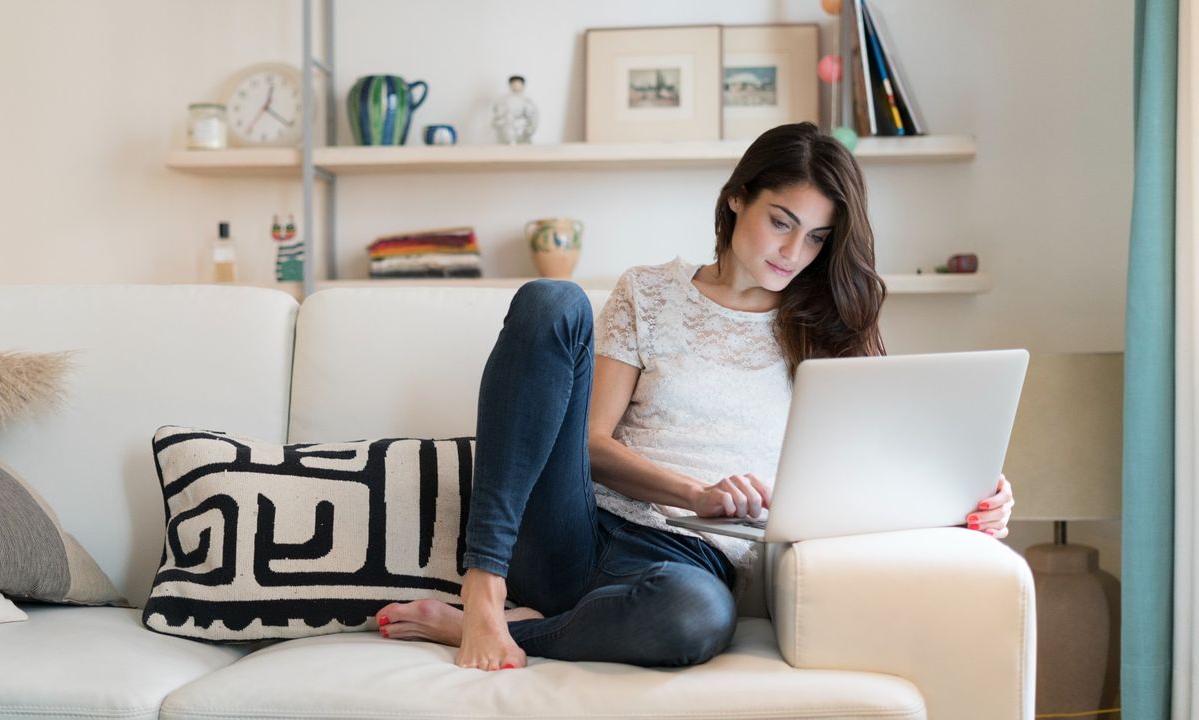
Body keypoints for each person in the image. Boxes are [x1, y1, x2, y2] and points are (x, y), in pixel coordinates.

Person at [375, 122, 1015, 670]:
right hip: (574, 529)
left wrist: (970, 496)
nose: (794, 252)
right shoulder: (648, 292)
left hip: (689, 564)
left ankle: (495, 631)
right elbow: (591, 445)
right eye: (782, 222)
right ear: (738, 198)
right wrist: (695, 493)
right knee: (553, 301)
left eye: (817, 238)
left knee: (700, 619)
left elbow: (881, 466)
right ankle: (484, 590)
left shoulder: (833, 328)